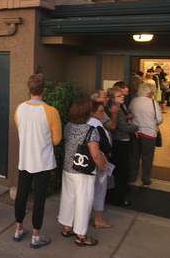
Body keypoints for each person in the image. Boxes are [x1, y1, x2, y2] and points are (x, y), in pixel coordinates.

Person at [13, 74, 62, 248]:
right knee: (39, 198)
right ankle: (36, 235)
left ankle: (18, 229)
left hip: (25, 159)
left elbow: (21, 130)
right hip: (43, 162)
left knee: (22, 195)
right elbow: (56, 140)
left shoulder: (19, 109)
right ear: (44, 90)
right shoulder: (51, 111)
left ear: (28, 89)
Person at [59, 98, 109, 247]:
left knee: (69, 198)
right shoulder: (91, 131)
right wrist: (104, 166)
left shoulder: (68, 126)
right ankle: (81, 235)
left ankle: (67, 227)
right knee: (84, 201)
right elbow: (95, 154)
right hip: (84, 171)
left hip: (68, 168)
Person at [106, 87, 138, 206]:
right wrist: (136, 128)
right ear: (113, 98)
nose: (122, 97)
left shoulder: (116, 108)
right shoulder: (116, 109)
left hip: (117, 140)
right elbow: (122, 127)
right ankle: (118, 198)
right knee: (121, 170)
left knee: (117, 170)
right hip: (120, 141)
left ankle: (115, 195)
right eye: (119, 95)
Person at [129, 83, 163, 187]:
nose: (153, 93)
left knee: (134, 157)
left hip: (135, 132)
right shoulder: (153, 103)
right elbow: (159, 119)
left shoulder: (134, 101)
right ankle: (146, 180)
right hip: (149, 133)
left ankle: (132, 178)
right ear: (149, 92)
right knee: (147, 157)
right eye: (152, 91)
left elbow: (129, 116)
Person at [87, 100, 113, 229]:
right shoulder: (96, 124)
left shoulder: (81, 123)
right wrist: (105, 157)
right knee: (99, 190)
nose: (103, 113)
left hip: (84, 163)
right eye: (101, 111)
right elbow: (106, 146)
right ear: (93, 113)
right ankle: (98, 218)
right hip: (97, 163)